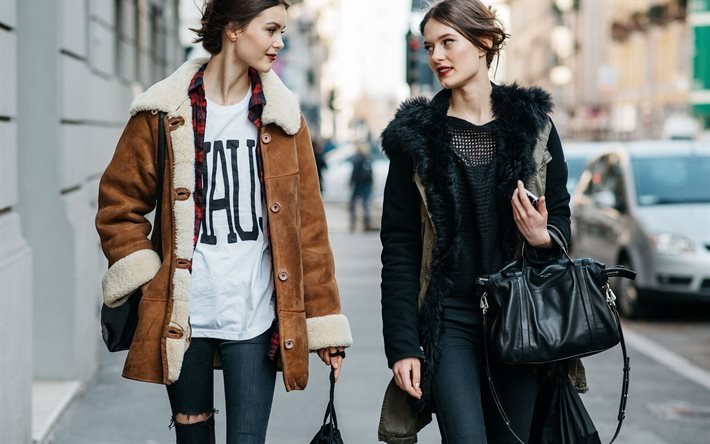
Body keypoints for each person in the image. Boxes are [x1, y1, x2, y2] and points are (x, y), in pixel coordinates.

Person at [95, 1, 352, 443]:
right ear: (234, 29)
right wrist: (146, 275)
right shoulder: (163, 112)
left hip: (254, 317)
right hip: (185, 316)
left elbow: (308, 229)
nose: (280, 42)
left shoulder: (284, 121)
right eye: (271, 29)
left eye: (283, 31)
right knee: (193, 437)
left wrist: (325, 319)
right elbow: (118, 206)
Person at [378, 0, 577, 442]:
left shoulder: (534, 126)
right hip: (450, 321)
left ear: (485, 43)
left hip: (521, 317)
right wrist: (403, 345)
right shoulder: (415, 138)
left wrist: (543, 237)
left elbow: (561, 219)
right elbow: (400, 248)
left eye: (449, 42)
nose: (436, 57)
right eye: (429, 46)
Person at [349, 142, 375, 232]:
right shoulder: (368, 158)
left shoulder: (357, 158)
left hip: (358, 184)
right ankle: (366, 223)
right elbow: (371, 173)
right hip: (367, 184)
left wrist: (351, 182)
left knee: (353, 204)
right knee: (366, 204)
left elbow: (354, 172)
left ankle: (353, 223)